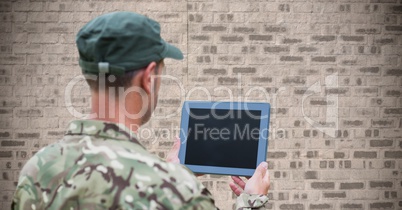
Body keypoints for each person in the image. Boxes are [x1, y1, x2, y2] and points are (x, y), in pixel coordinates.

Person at [12, 11, 270, 209]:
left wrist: (167, 168)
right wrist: (251, 200)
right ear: (148, 78)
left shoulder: (37, 170)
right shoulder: (177, 190)